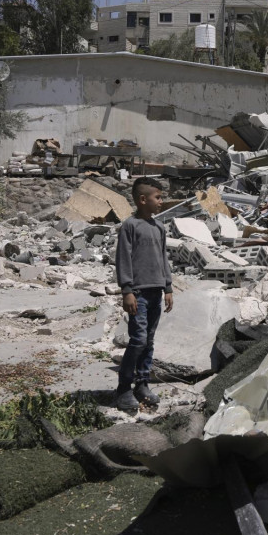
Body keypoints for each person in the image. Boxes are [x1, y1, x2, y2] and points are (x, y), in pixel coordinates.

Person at [114, 176, 173, 411]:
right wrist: (126, 290)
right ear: (142, 200)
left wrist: (168, 287)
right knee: (137, 340)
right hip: (137, 292)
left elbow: (163, 259)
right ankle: (123, 387)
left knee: (148, 341)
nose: (161, 201)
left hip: (156, 292)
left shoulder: (159, 227)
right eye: (157, 197)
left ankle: (143, 383)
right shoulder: (130, 226)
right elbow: (123, 259)